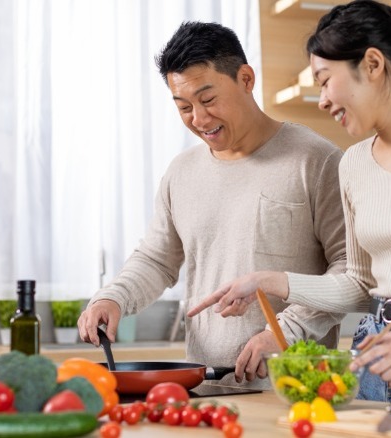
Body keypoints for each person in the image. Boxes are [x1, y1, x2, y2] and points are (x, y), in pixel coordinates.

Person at [188, 0, 391, 411]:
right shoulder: (353, 164)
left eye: (325, 80)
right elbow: (358, 284)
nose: (322, 100)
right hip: (374, 351)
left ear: (372, 64)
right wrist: (269, 280)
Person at [77, 21, 347, 389]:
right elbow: (156, 260)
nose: (199, 119)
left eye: (208, 100)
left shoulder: (316, 160)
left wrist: (286, 332)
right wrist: (114, 298)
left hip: (294, 389)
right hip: (203, 388)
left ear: (246, 79)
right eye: (184, 106)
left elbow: (348, 271)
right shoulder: (182, 172)